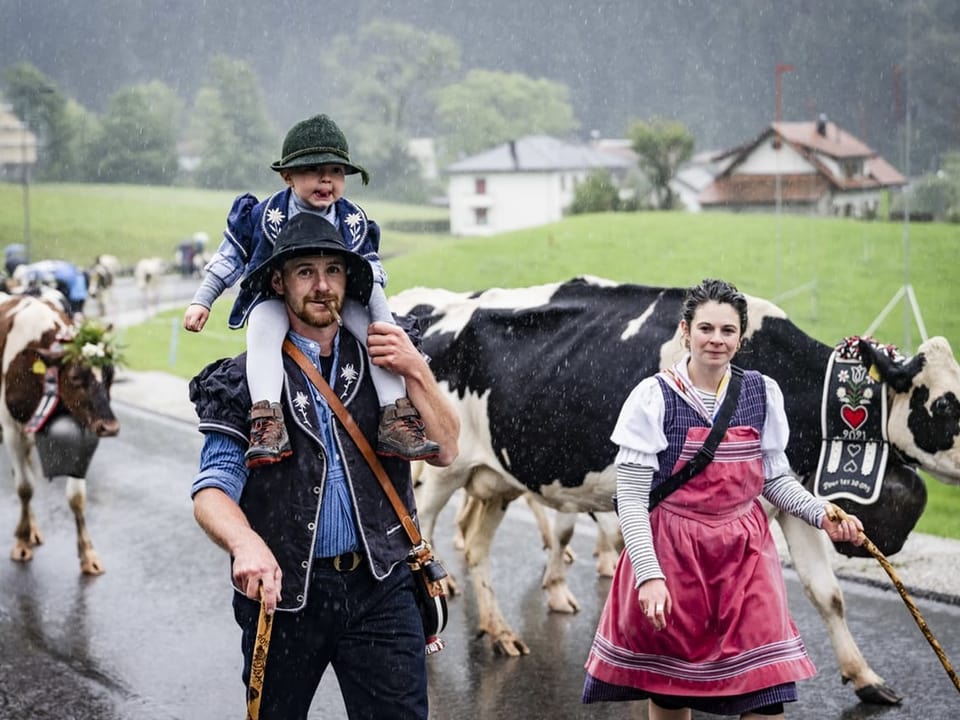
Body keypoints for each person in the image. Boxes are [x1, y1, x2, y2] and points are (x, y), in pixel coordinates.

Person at [189, 212, 460, 720]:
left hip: (383, 585)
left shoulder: (389, 363)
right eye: (305, 271)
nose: (321, 285)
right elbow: (211, 491)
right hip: (286, 596)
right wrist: (245, 543)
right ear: (278, 281)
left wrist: (416, 368)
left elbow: (446, 449)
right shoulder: (242, 380)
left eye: (333, 270)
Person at [582, 278, 865, 719]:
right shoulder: (652, 398)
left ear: (741, 336)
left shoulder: (761, 392)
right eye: (706, 329)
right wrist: (649, 575)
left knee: (767, 691)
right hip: (675, 555)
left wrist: (820, 513)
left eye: (728, 331)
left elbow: (774, 478)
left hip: (746, 554)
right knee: (673, 690)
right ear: (685, 331)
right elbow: (632, 499)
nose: (717, 340)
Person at [183, 113, 439, 468]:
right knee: (261, 329)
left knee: (375, 338)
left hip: (342, 298)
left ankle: (394, 415)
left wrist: (387, 328)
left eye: (335, 171)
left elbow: (372, 276)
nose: (325, 179)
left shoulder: (352, 220)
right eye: (312, 170)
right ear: (286, 176)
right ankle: (268, 419)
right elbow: (231, 257)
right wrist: (203, 299)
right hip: (275, 297)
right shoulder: (262, 215)